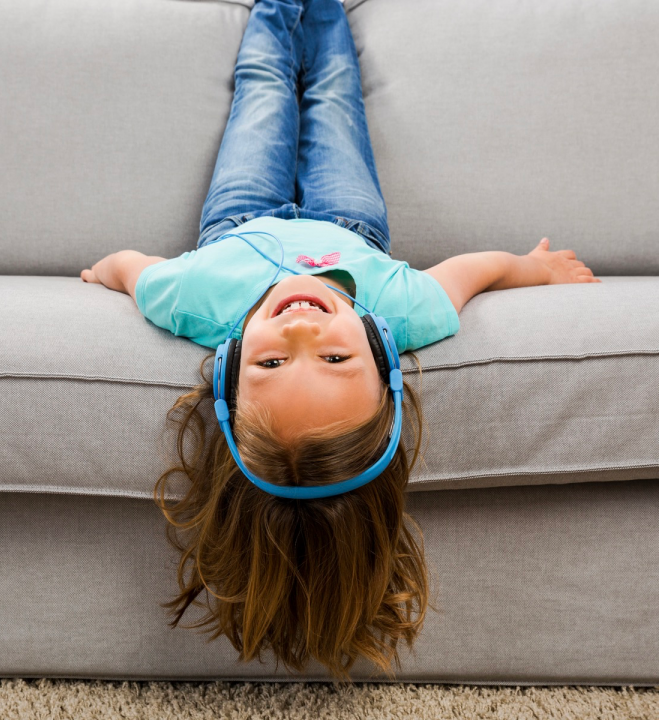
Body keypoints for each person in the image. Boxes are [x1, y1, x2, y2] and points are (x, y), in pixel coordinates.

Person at [80, 0, 600, 682]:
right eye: (334, 357)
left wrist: (104, 273)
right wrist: (535, 268)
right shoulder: (402, 310)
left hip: (238, 217)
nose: (301, 326)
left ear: (230, 366)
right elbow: (476, 271)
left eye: (270, 360)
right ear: (382, 358)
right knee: (330, 97)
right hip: (348, 220)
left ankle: (274, 8)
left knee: (264, 89)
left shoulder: (197, 296)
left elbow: (131, 268)